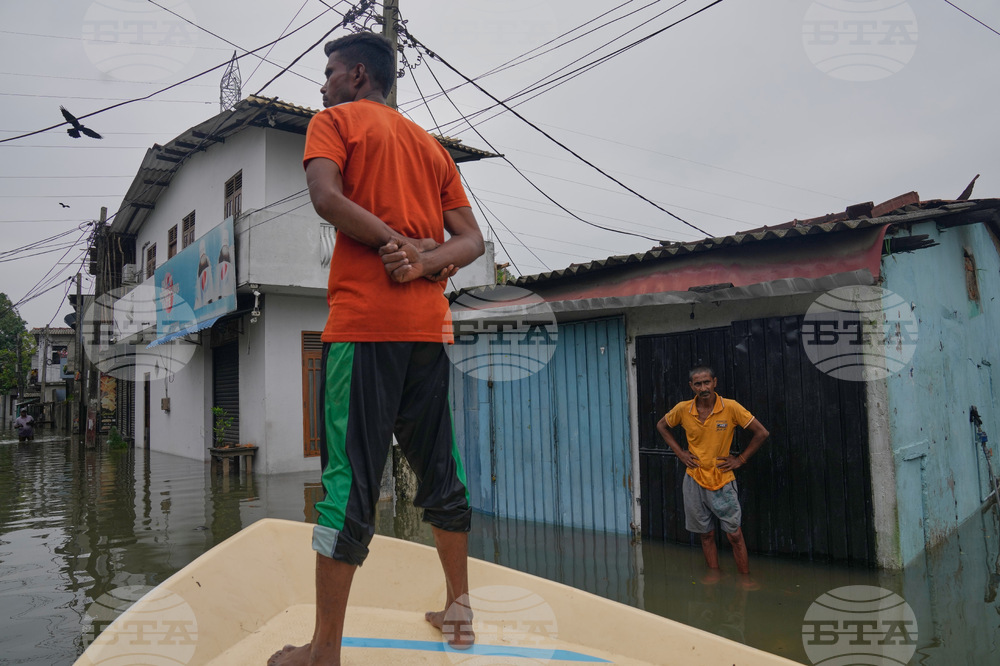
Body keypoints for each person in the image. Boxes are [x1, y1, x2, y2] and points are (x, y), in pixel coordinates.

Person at [269, 31, 485, 666]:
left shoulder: (333, 122)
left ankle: (324, 654)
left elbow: (327, 198)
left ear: (359, 76)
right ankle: (458, 612)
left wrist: (400, 248)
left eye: (330, 71)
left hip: (363, 329)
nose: (323, 83)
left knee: (348, 481)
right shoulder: (431, 147)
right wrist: (423, 259)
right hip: (427, 331)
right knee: (441, 469)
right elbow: (469, 240)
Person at [656, 366, 768, 583]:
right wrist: (680, 453)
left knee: (734, 534)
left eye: (707, 382)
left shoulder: (731, 407)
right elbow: (661, 426)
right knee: (705, 534)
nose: (703, 388)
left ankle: (745, 579)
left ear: (715, 382)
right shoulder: (683, 409)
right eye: (698, 384)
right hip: (694, 479)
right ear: (691, 387)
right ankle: (714, 577)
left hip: (722, 479)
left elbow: (762, 433)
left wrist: (740, 459)